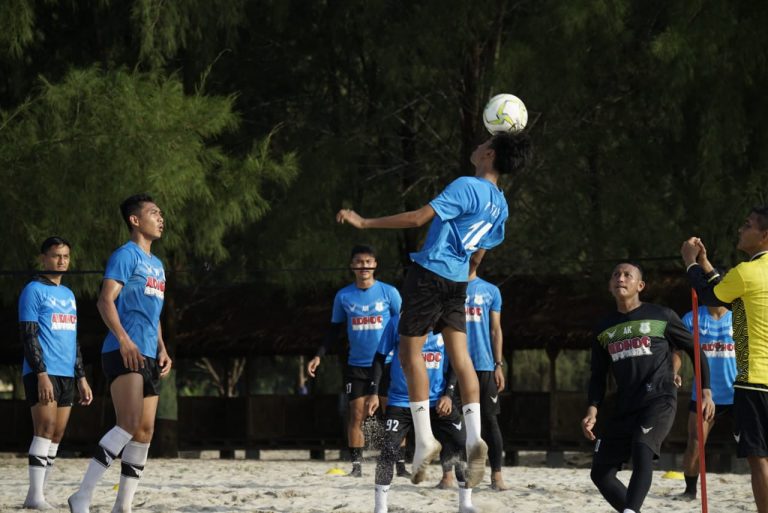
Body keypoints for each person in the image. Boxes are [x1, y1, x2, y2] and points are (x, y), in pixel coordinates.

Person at [336, 131, 532, 487]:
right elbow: (481, 249)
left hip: (429, 275)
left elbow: (416, 218)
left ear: (489, 154)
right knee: (462, 358)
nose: (475, 145)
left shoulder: (466, 186)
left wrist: (365, 223)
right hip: (459, 283)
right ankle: (474, 437)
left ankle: (425, 436)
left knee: (409, 353)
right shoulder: (501, 204)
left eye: (481, 143)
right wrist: (468, 273)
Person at [581, 262, 714, 513]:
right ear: (610, 285)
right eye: (615, 274)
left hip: (658, 399)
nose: (620, 278)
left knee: (642, 448)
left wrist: (705, 389)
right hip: (624, 405)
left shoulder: (661, 315)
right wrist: (592, 408)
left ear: (640, 286)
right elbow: (598, 374)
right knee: (600, 473)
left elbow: (693, 349)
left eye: (627, 275)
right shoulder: (603, 327)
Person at [69, 194, 172, 513]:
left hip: (149, 354)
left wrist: (162, 347)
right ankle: (82, 495)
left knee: (145, 431)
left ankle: (122, 506)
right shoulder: (125, 256)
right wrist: (125, 340)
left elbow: (151, 314)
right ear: (135, 220)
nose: (161, 218)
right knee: (127, 423)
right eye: (154, 213)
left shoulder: (158, 265)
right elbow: (105, 301)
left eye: (161, 213)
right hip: (122, 351)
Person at [682, 205, 768, 513]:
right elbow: (724, 287)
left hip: (754, 381)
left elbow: (710, 296)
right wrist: (705, 262)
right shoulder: (753, 275)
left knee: (759, 460)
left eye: (748, 225)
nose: (741, 230)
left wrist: (690, 262)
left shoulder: (747, 272)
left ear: (764, 235)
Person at [306, 245, 401, 477]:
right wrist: (318, 355)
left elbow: (405, 328)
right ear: (352, 266)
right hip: (357, 365)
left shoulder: (390, 293)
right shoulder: (344, 296)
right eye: (359, 262)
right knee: (357, 414)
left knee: (394, 415)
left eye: (368, 262)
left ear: (375, 264)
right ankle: (357, 467)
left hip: (388, 363)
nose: (364, 266)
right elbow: (334, 330)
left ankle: (399, 465)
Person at [367, 321, 476, 513]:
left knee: (461, 444)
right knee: (388, 450)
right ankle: (380, 507)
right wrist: (374, 392)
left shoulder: (447, 324)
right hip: (401, 401)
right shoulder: (396, 322)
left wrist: (448, 395)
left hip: (437, 402)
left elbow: (456, 362)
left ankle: (465, 503)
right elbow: (379, 357)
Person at [20, 236, 93, 509]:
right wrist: (40, 373)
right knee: (45, 428)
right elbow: (28, 335)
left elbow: (73, 339)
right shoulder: (33, 290)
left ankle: (37, 494)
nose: (61, 260)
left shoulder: (69, 294)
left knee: (58, 434)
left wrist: (82, 377)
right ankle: (36, 497)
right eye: (55, 255)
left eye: (65, 256)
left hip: (68, 374)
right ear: (43, 258)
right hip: (43, 371)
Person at [672, 304, 737, 500]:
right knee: (695, 443)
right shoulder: (691, 318)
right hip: (702, 395)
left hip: (737, 395)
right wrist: (673, 370)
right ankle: (690, 491)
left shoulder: (739, 317)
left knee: (754, 447)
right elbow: (676, 350)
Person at [461, 258, 507, 490]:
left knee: (489, 421)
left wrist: (498, 364)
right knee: (452, 423)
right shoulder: (447, 288)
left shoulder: (491, 290)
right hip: (455, 365)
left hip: (484, 365)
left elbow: (495, 329)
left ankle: (496, 475)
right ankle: (451, 475)